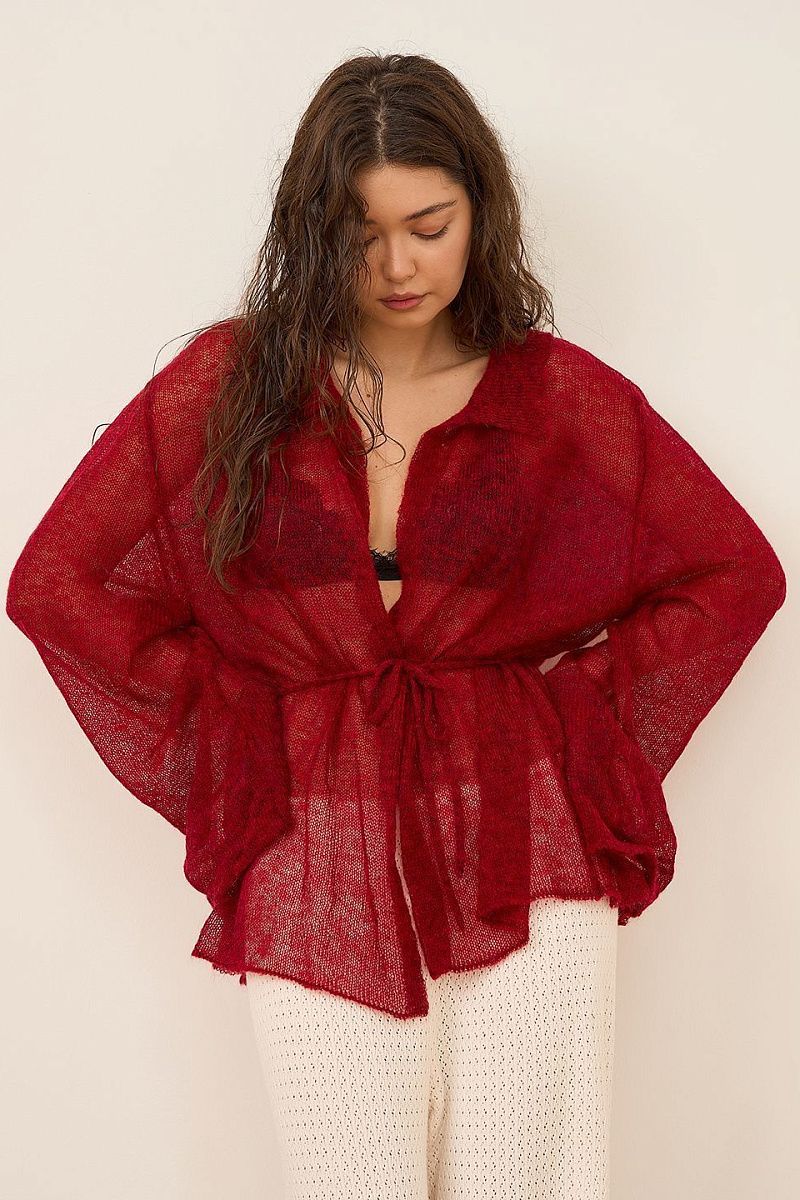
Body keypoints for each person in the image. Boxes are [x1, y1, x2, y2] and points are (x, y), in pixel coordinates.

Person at [5, 52, 786, 1200]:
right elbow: (58, 586)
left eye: (428, 225)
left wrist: (569, 722)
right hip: (317, 854)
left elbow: (730, 573)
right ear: (309, 230)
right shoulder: (232, 387)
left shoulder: (554, 396)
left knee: (530, 1182)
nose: (396, 265)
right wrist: (242, 738)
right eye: (357, 233)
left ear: (481, 209)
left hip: (524, 844)